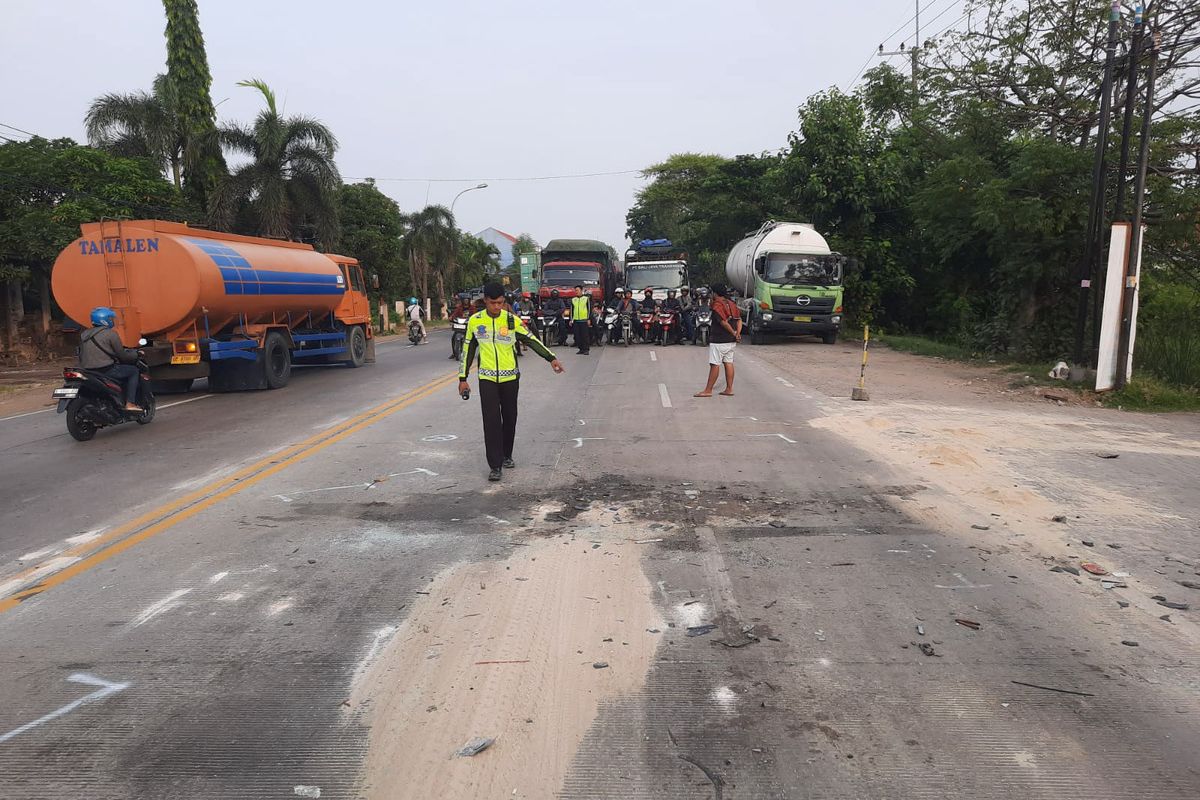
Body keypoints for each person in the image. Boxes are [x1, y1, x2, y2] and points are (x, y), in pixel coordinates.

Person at [459, 283, 564, 481]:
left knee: (509, 418)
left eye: (500, 303)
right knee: (491, 421)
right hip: (487, 378)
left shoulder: (511, 320)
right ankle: (495, 465)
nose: (496, 307)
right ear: (485, 301)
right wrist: (462, 378)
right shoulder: (475, 321)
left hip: (510, 378)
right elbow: (468, 350)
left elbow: (531, 340)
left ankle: (507, 454)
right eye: (493, 303)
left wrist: (551, 358)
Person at [78, 306, 143, 412]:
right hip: (106, 370)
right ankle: (130, 403)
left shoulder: (84, 335)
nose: (112, 321)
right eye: (110, 318)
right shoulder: (110, 334)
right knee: (133, 371)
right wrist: (135, 355)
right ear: (104, 320)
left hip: (88, 371)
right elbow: (122, 355)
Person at [694, 284, 742, 398]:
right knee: (728, 362)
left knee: (715, 364)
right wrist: (737, 333)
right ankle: (729, 389)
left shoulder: (717, 305)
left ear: (715, 293)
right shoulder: (731, 304)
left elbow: (723, 322)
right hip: (731, 341)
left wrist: (733, 333)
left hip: (719, 340)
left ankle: (708, 390)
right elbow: (739, 320)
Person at [449, 293, 473, 359]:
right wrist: (451, 317)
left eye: (467, 300)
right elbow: (455, 314)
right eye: (465, 300)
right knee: (453, 337)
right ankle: (454, 353)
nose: (466, 301)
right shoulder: (459, 308)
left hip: (469, 326)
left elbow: (475, 315)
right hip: (460, 325)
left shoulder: (472, 308)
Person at [570, 285, 592, 354]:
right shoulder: (573, 299)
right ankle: (581, 349)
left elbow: (589, 309)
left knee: (584, 336)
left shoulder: (586, 299)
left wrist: (588, 319)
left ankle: (586, 349)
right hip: (576, 320)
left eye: (577, 290)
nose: (576, 292)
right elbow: (571, 310)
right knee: (577, 336)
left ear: (581, 290)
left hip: (584, 320)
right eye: (575, 290)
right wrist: (571, 319)